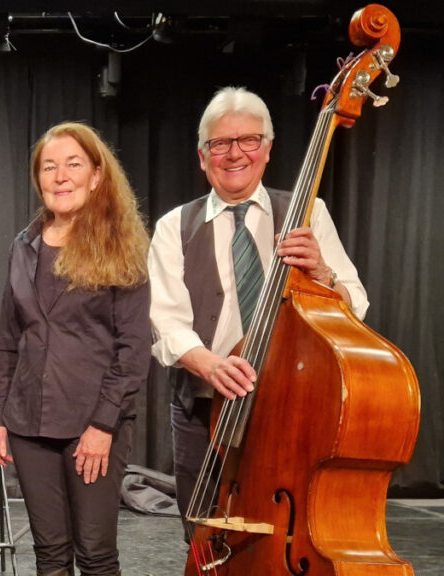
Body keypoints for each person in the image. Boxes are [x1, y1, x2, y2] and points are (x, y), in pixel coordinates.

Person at [148, 87, 369, 540]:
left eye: (248, 140)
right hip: (205, 407)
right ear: (202, 157)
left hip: (294, 403)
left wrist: (323, 275)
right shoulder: (175, 226)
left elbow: (356, 307)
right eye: (220, 144)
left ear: (267, 149)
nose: (235, 154)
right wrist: (210, 364)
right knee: (204, 540)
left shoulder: (309, 213)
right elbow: (164, 320)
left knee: (288, 534)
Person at [0, 122, 152, 576]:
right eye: (49, 167)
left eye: (73, 165)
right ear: (38, 178)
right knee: (50, 555)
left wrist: (102, 425)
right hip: (28, 423)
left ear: (96, 175)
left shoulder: (122, 247)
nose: (60, 176)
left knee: (95, 555)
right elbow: (7, 340)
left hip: (92, 427)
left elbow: (132, 349)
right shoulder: (25, 245)